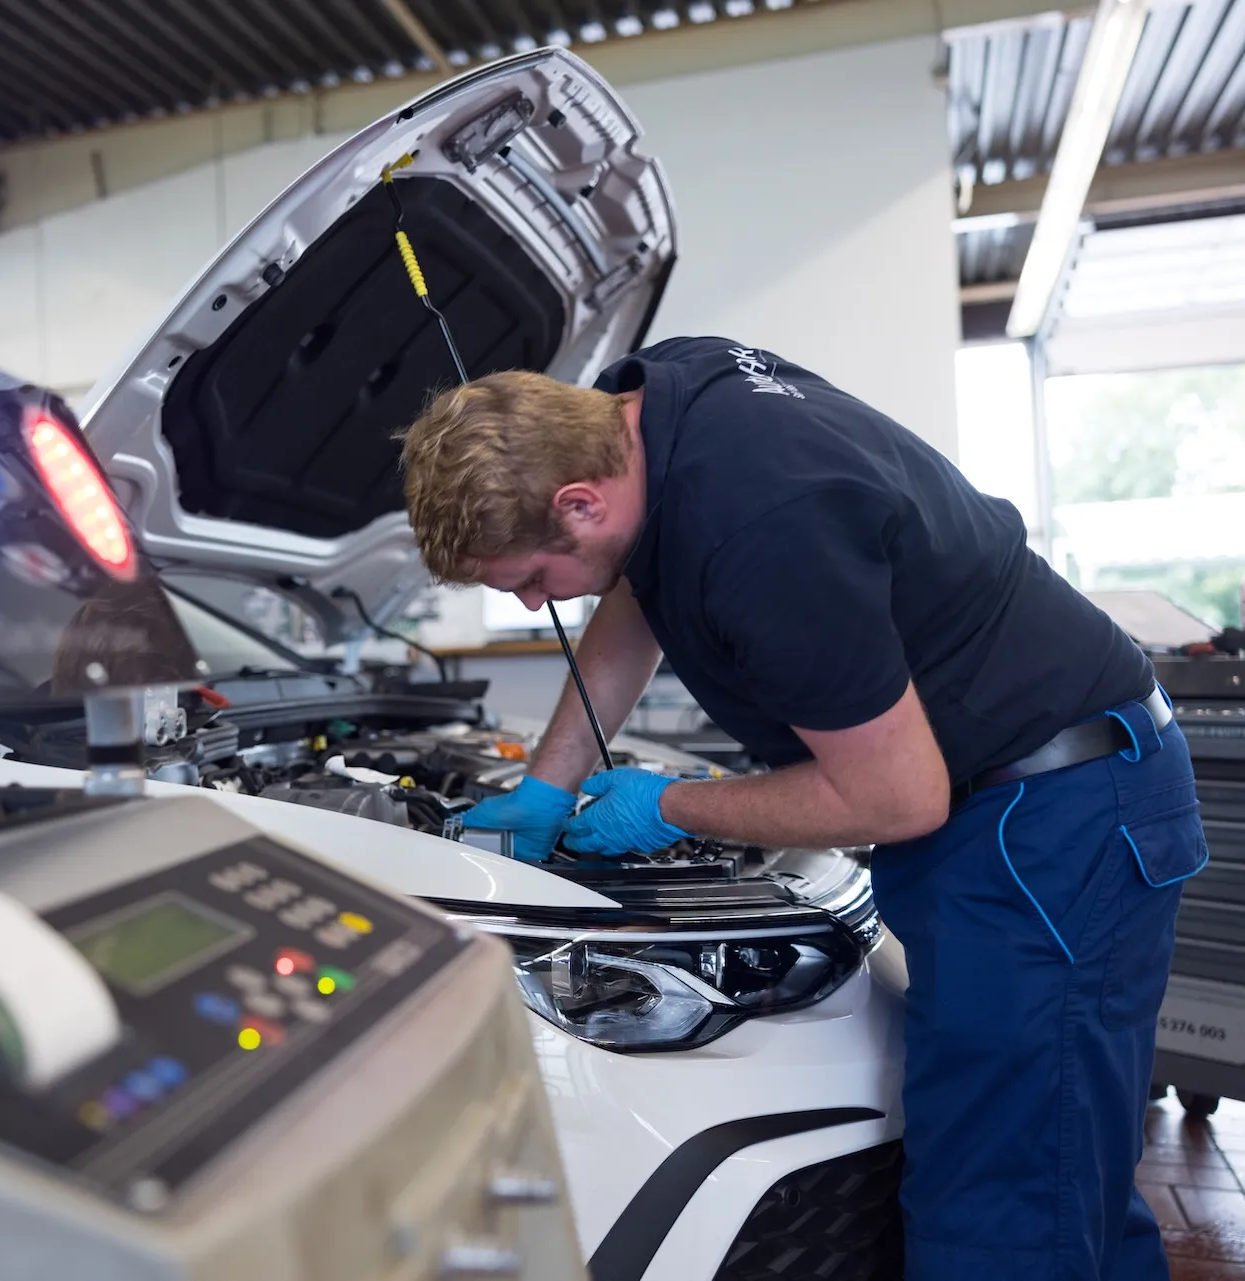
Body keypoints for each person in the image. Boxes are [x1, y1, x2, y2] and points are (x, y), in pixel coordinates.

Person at [397, 338, 1206, 1281]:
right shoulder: (652, 404)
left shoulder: (765, 527)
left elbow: (896, 796)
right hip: (1019, 793)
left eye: (531, 582)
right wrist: (549, 783)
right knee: (1064, 1162)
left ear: (580, 503)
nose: (541, 602)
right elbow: (637, 587)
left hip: (1051, 819)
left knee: (1001, 1201)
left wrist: (675, 804)